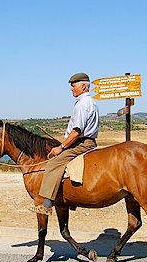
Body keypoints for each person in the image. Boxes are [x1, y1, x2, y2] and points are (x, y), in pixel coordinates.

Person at [28, 73, 100, 215]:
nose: (71, 89)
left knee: (53, 164)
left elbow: (76, 131)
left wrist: (61, 147)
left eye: (73, 86)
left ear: (83, 86)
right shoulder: (91, 102)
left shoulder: (82, 104)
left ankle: (47, 204)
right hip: (87, 141)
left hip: (82, 143)